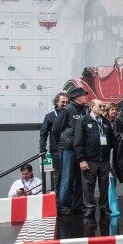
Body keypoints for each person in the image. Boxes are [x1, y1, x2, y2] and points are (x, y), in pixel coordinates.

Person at [74, 99, 115, 218]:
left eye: (103, 106)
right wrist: (81, 159)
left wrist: (110, 160)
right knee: (88, 185)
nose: (102, 108)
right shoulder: (83, 120)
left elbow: (111, 142)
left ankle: (104, 207)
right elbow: (78, 142)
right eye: (100, 106)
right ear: (92, 107)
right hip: (89, 160)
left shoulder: (106, 122)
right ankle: (89, 208)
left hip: (104, 160)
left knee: (104, 186)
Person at [52, 86, 89, 215]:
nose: (86, 97)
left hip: (81, 149)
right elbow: (55, 129)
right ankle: (63, 206)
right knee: (67, 178)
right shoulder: (67, 110)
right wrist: (65, 141)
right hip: (68, 149)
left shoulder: (85, 109)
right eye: (84, 95)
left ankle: (78, 205)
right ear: (77, 97)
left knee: (80, 178)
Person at [39, 92, 68, 192]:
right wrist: (42, 149)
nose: (65, 104)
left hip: (69, 149)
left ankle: (69, 198)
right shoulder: (49, 116)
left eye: (67, 102)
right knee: (58, 174)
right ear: (56, 102)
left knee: (69, 174)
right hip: (56, 150)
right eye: (63, 102)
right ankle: (58, 198)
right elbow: (43, 133)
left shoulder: (70, 115)